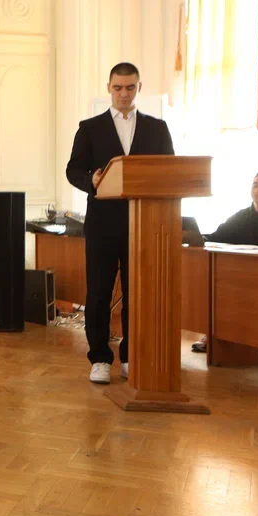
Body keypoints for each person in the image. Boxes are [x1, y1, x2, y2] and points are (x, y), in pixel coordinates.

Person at [65, 62, 175, 385]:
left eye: (129, 88)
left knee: (136, 293)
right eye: (117, 88)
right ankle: (100, 357)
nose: (123, 94)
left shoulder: (157, 128)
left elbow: (169, 170)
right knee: (99, 292)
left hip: (144, 223)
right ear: (109, 88)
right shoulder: (90, 128)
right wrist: (91, 179)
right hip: (102, 222)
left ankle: (131, 356)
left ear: (139, 88)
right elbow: (73, 170)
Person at [192, 170, 258, 359]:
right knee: (216, 283)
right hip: (243, 271)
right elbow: (218, 236)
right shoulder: (243, 215)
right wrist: (195, 238)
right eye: (255, 184)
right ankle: (216, 335)